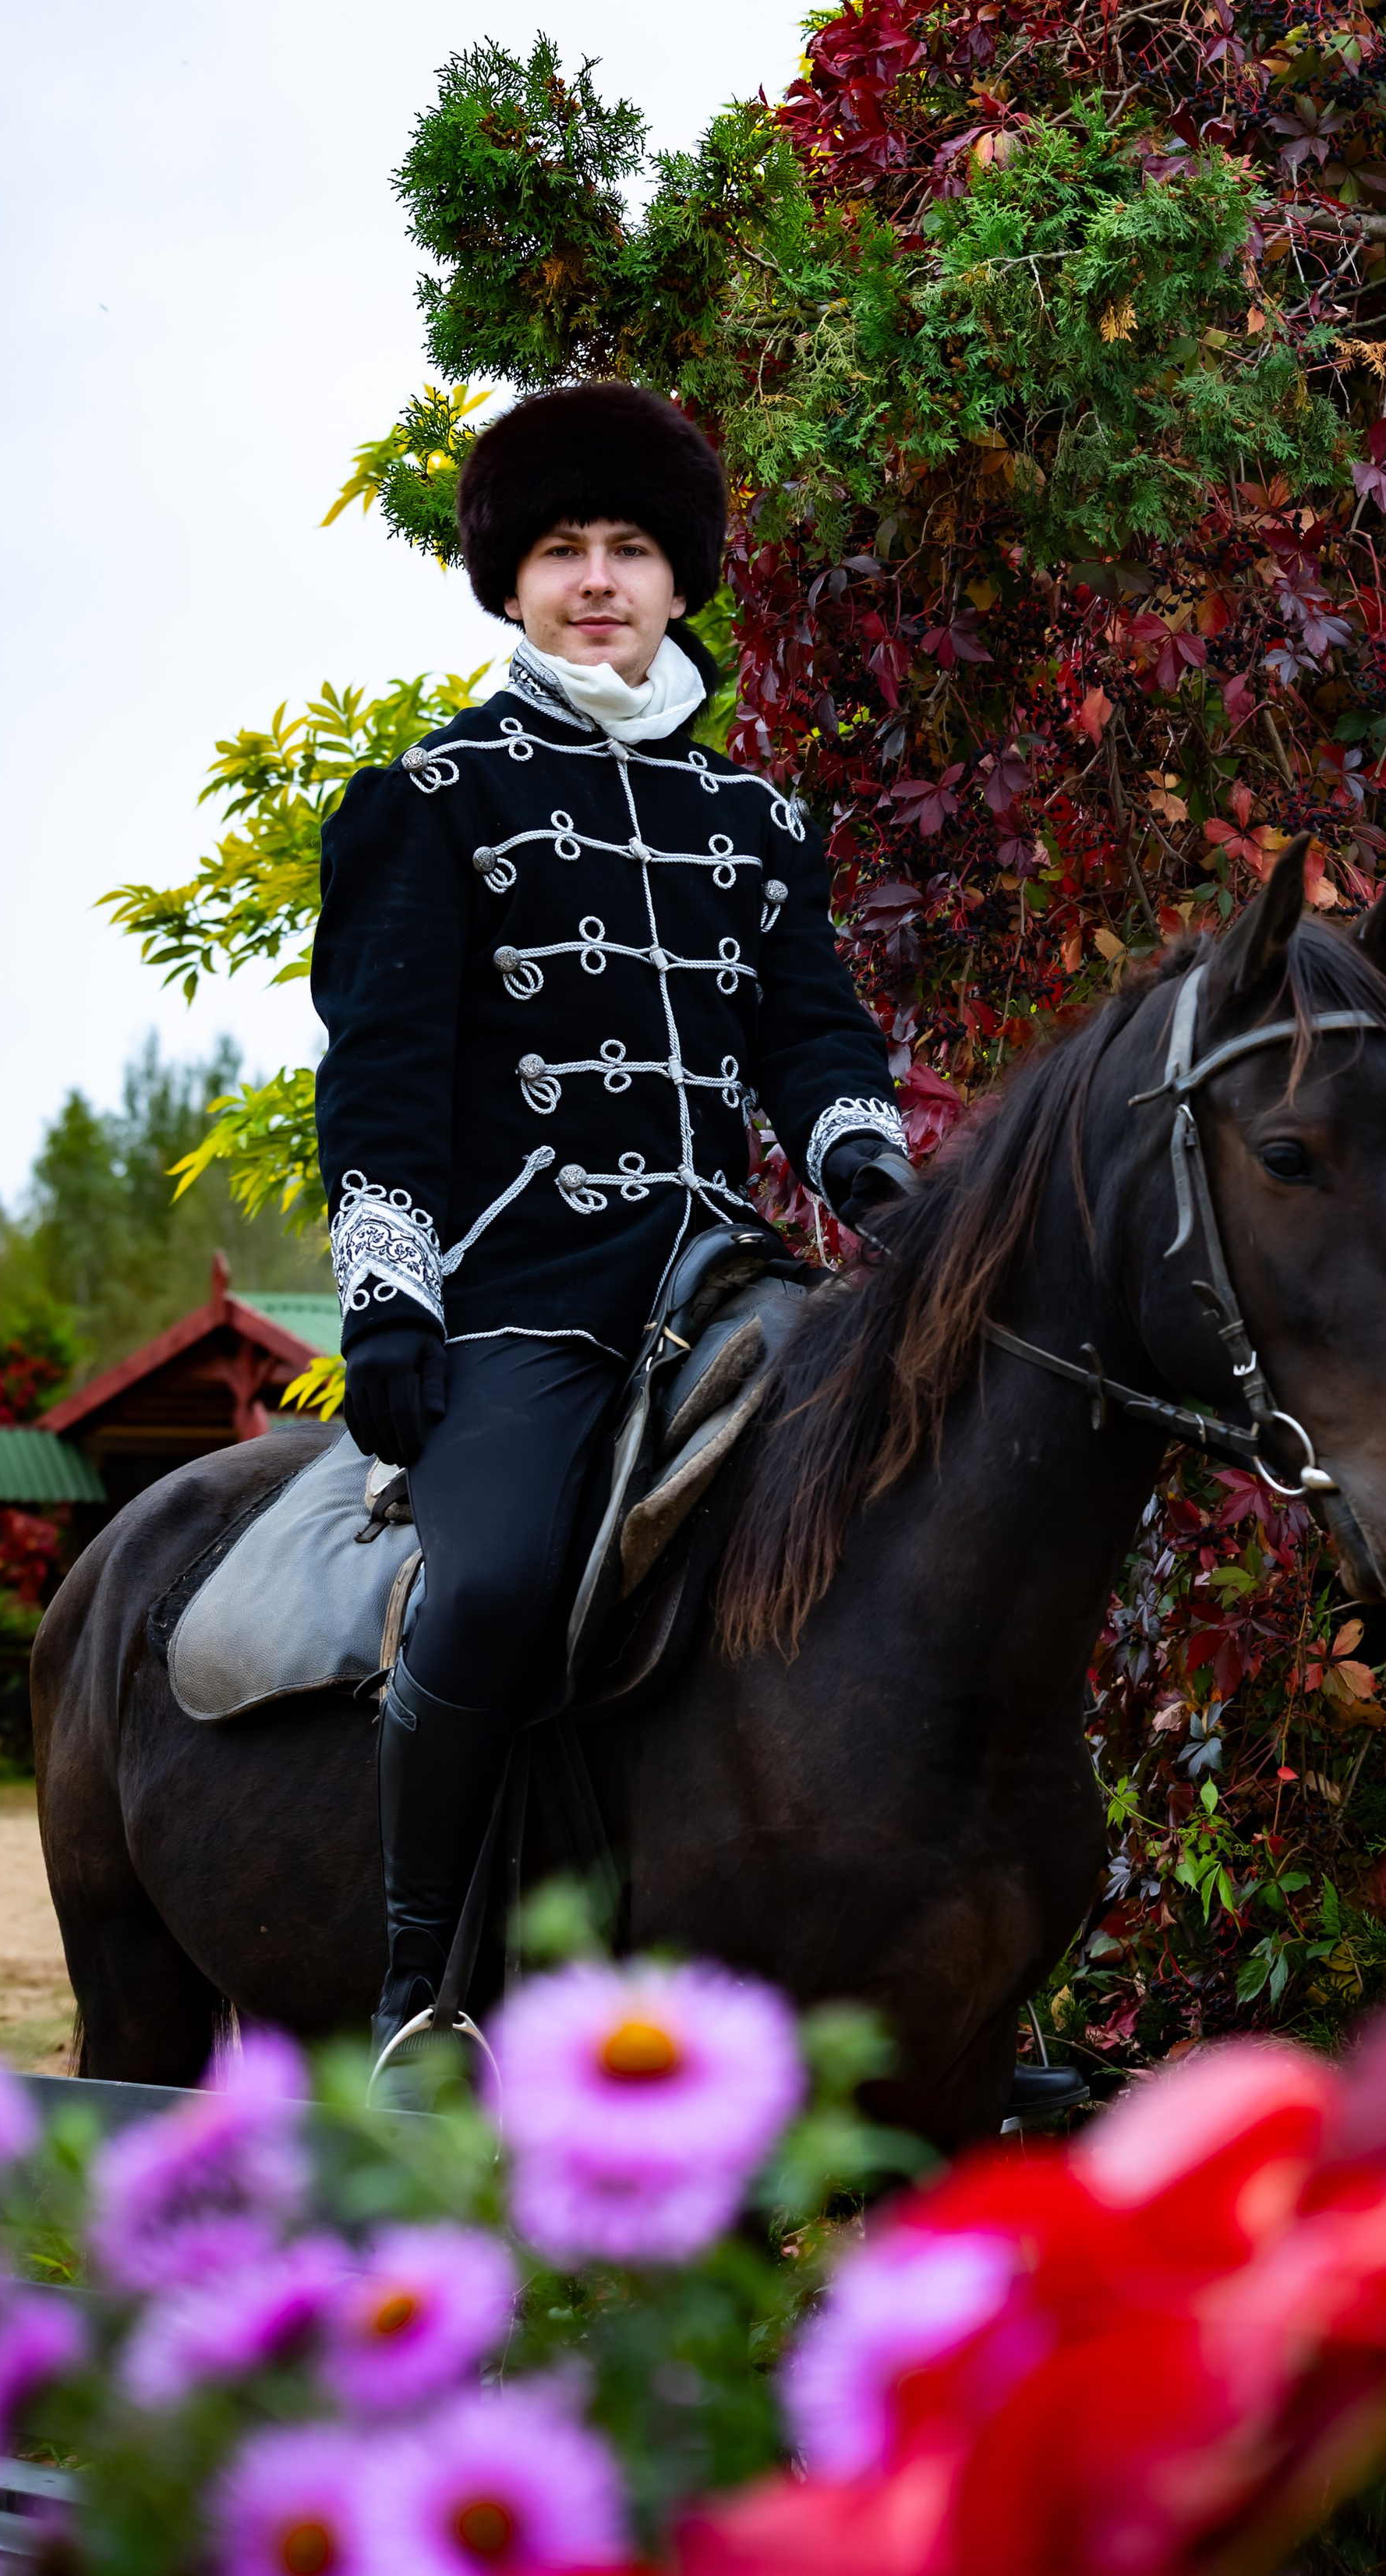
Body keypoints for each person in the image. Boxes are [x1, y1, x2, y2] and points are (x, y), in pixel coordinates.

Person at [312, 383, 912, 2065]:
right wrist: (390, 1301)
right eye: (563, 550)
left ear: (678, 581)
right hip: (519, 1298)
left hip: (726, 1275)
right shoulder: (428, 801)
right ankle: (422, 1990)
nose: (597, 579)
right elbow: (379, 1087)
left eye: (629, 549)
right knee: (493, 1582)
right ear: (510, 582)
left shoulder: (753, 822)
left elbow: (810, 1037)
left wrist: (869, 1174)